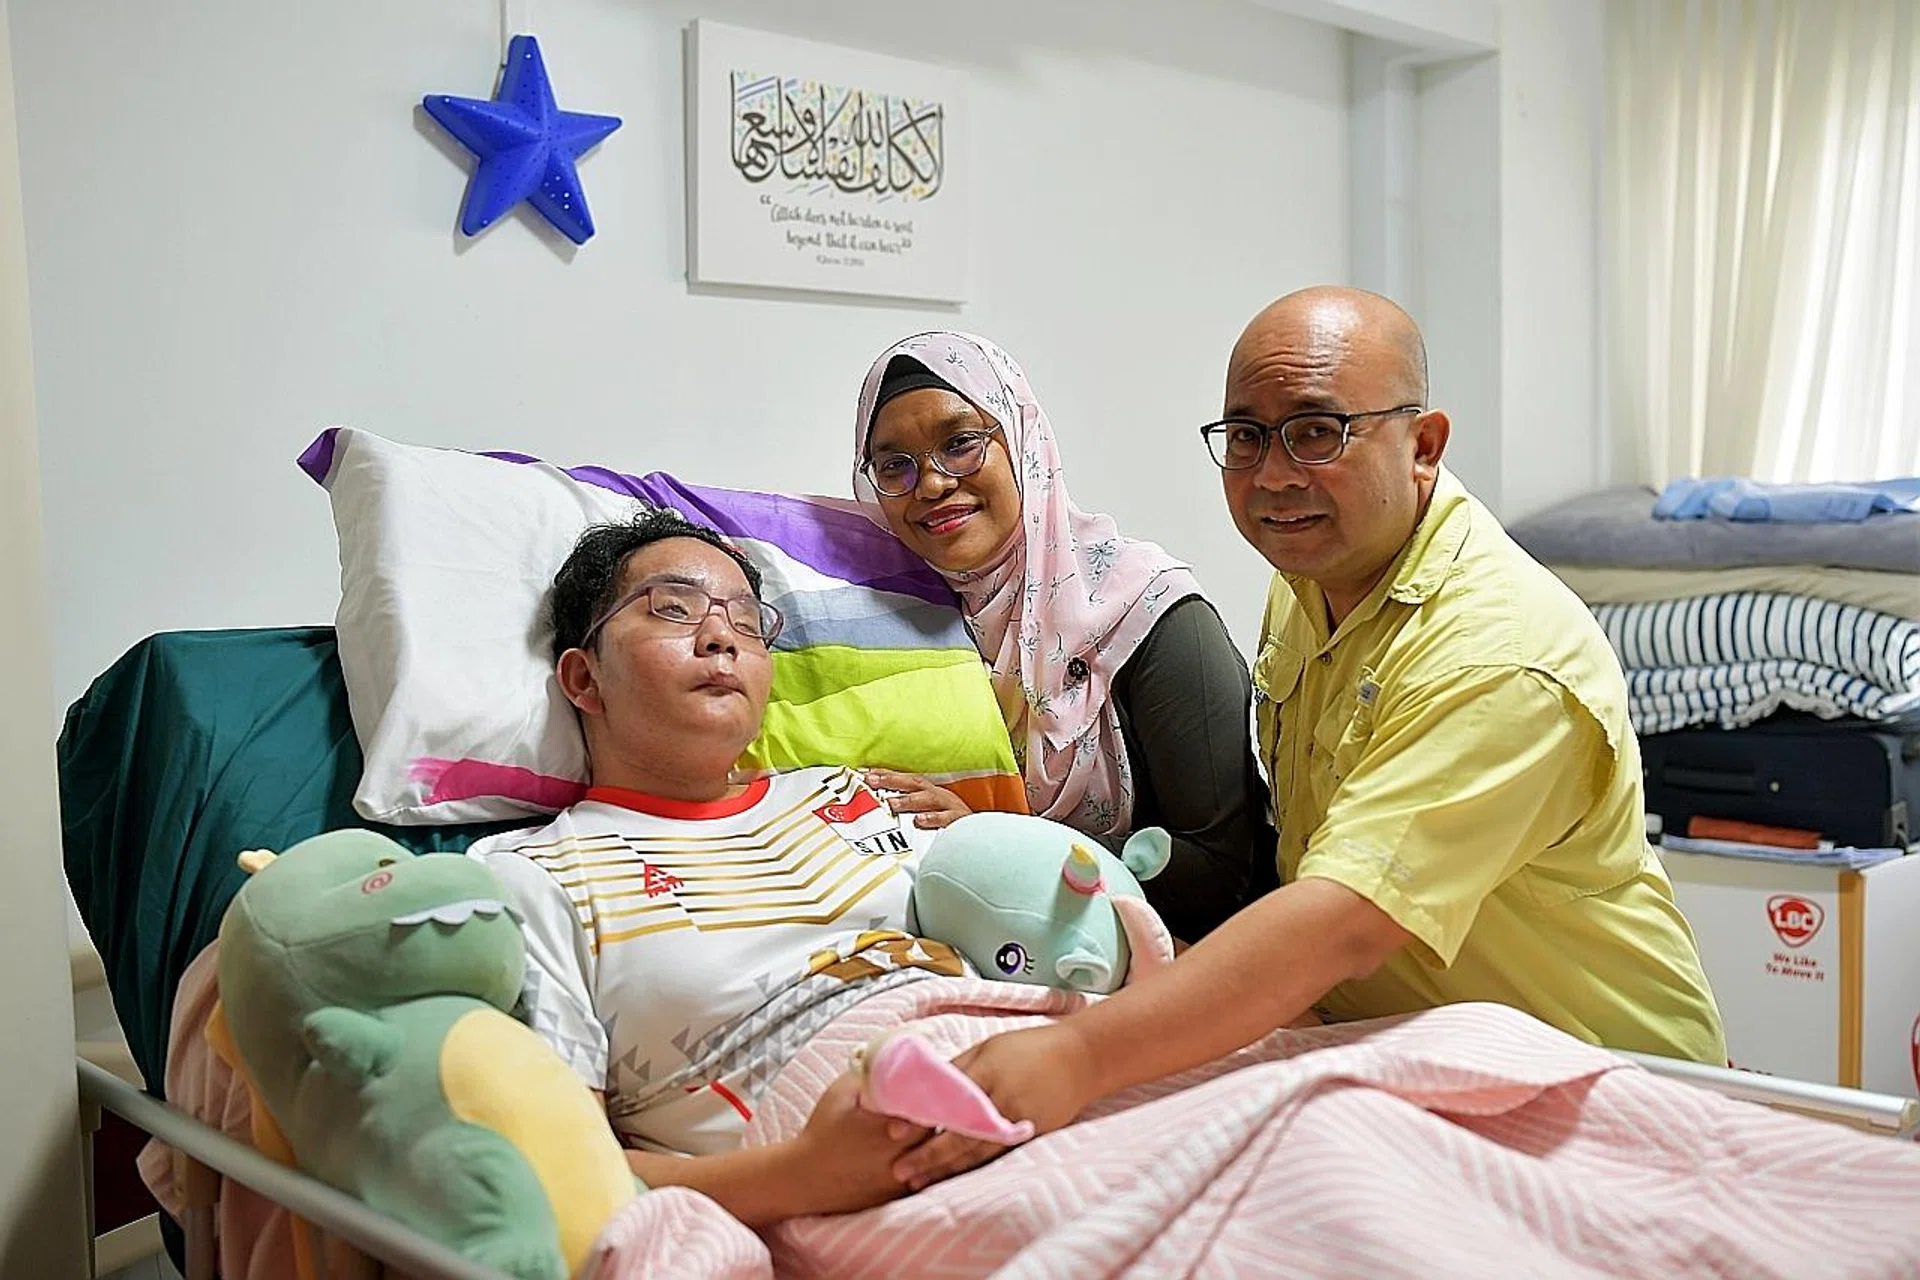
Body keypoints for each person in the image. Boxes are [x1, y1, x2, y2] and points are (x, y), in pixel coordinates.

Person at [889, 286, 1728, 1191]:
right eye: (1245, 437)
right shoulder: (1314, 579)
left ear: (1424, 446)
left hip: (1591, 1087)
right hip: (1392, 1062)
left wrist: (1080, 1055)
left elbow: (1333, 918)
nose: (1275, 475)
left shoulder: (1497, 658)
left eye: (1317, 432)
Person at [465, 508, 951, 1225]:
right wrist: (803, 1177)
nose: (722, 635)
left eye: (749, 622)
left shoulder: (861, 796)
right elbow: (563, 1161)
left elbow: (1035, 944)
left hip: (1030, 1066)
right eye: (674, 608)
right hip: (860, 1185)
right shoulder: (535, 878)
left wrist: (999, 848)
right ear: (583, 679)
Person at [850, 330, 1274, 943]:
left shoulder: (1148, 610)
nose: (933, 484)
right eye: (896, 465)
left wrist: (993, 844)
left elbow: (1220, 875)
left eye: (962, 444)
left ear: (1024, 442)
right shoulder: (899, 623)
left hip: (1176, 966)